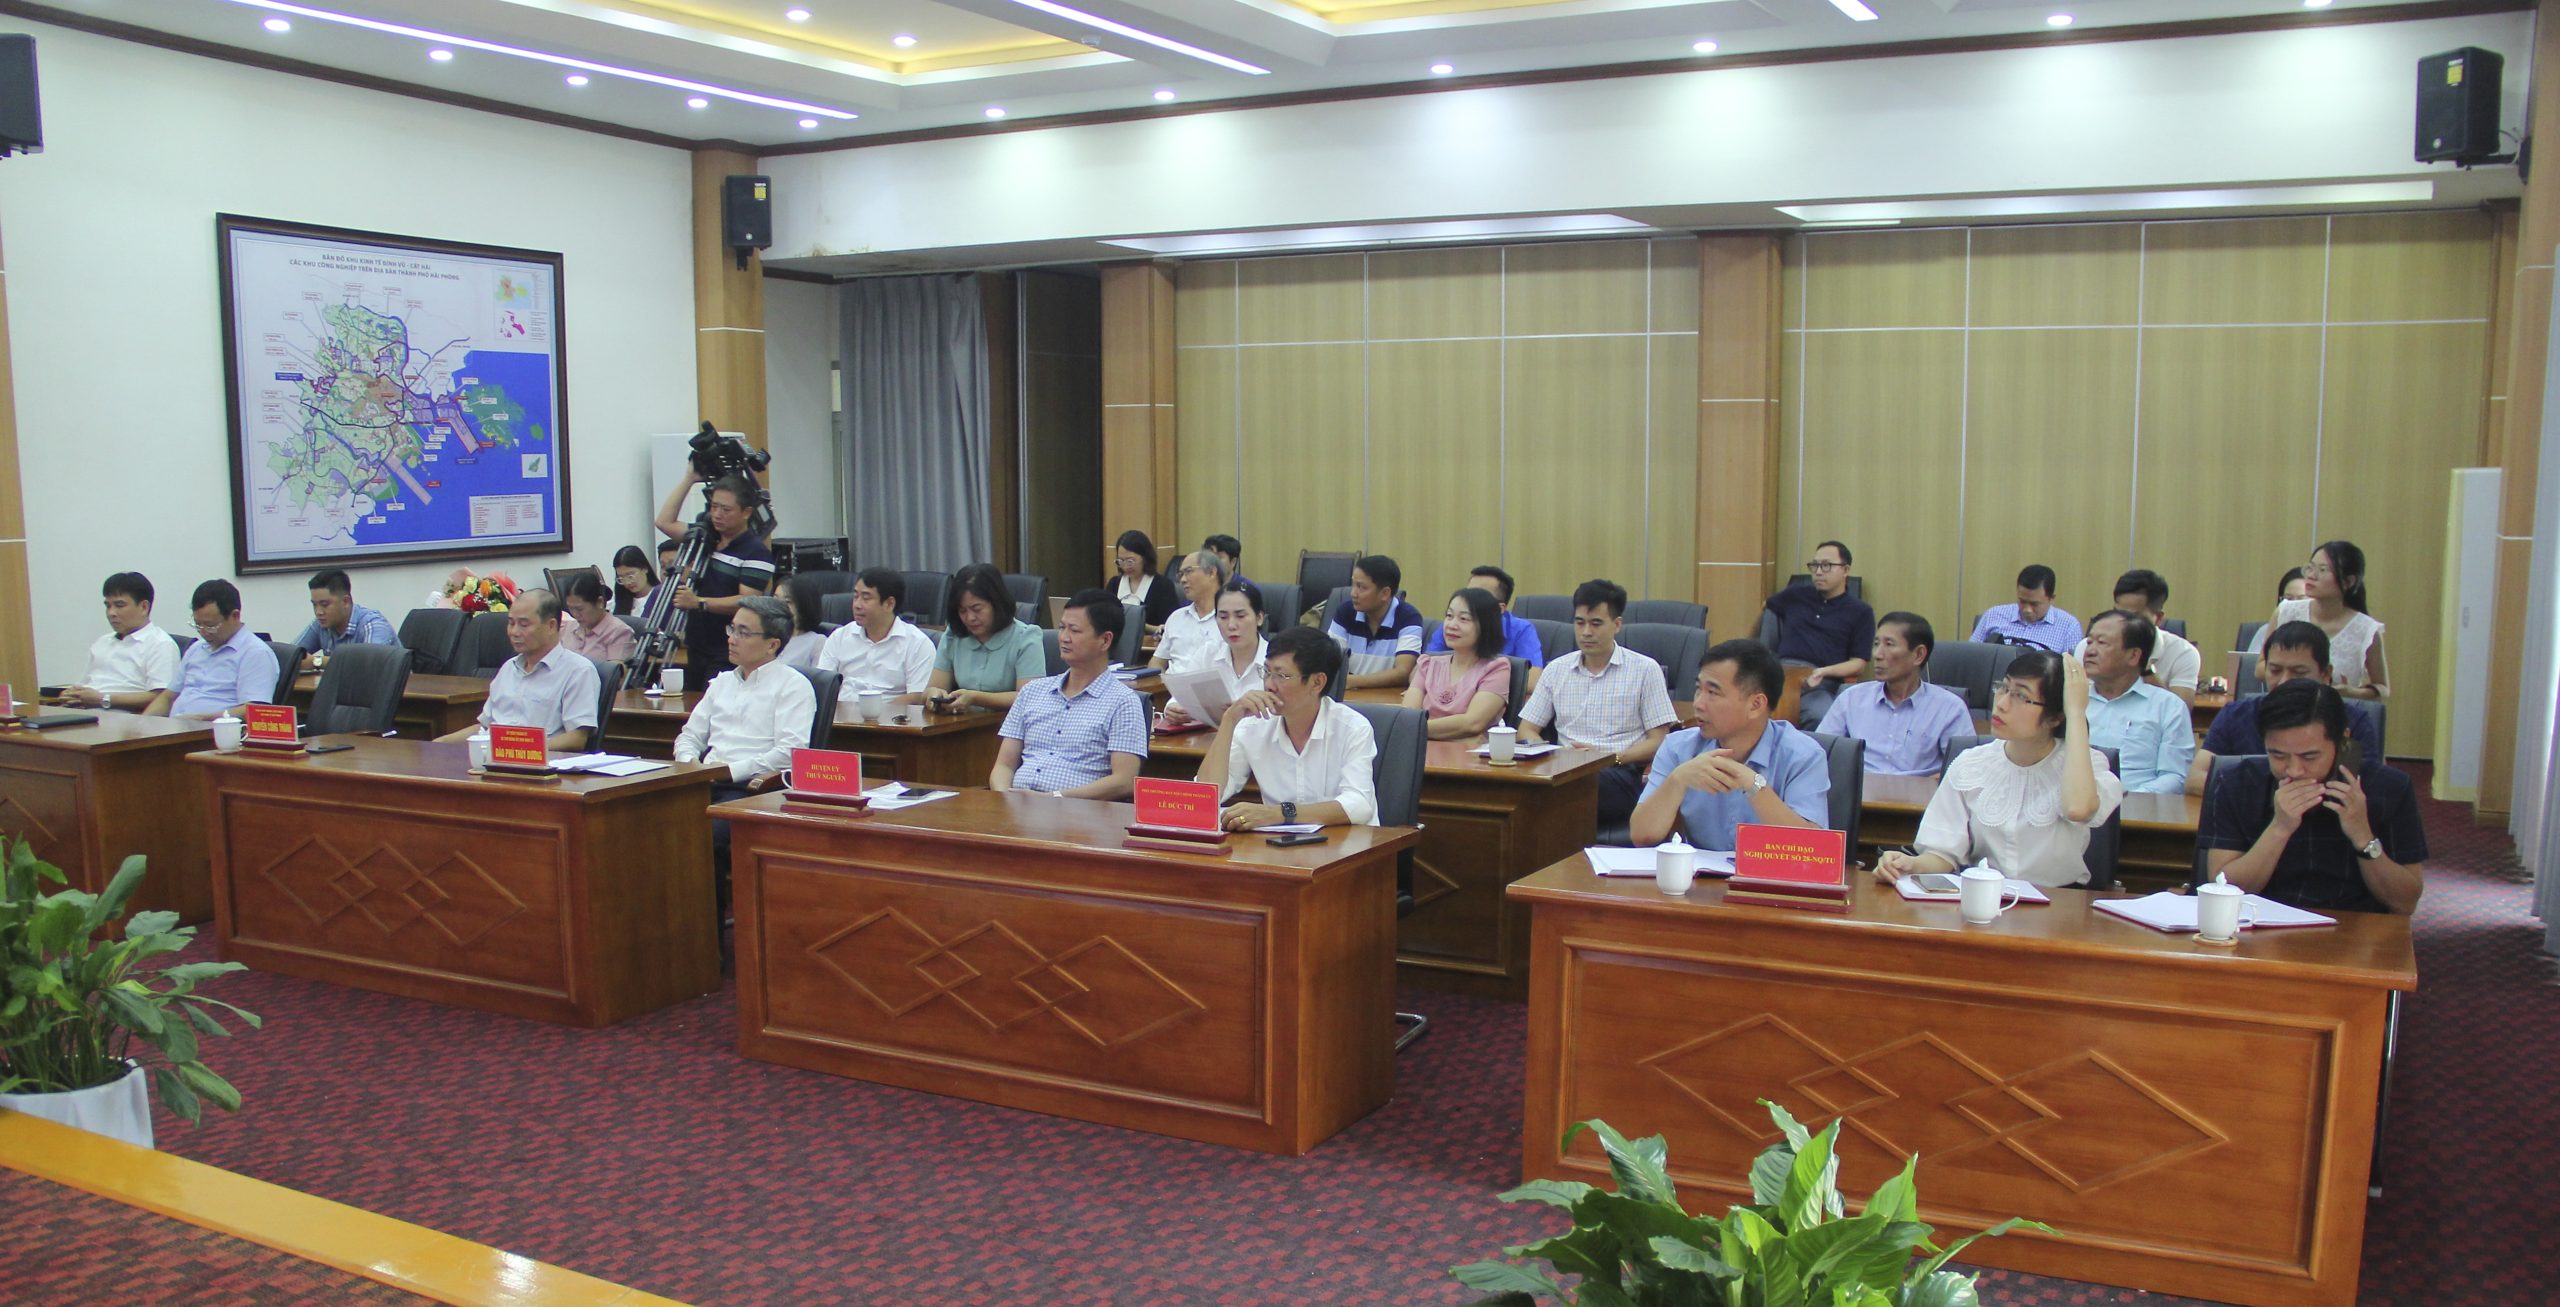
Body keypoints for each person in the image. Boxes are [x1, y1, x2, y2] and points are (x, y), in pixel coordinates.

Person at [1873, 650, 2121, 889]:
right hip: (1984, 898)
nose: (2001, 704)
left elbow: (2077, 809)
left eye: (2020, 696)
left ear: (2055, 717)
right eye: (2003, 688)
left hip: (2060, 904)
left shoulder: (2086, 765)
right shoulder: (1971, 763)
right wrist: (1911, 864)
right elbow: (1944, 854)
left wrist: (2076, 713)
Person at [2199, 679, 2426, 914]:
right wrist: (2279, 828)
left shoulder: (2389, 788)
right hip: (2260, 922)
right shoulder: (2236, 784)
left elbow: (2405, 902)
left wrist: (2362, 836)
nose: (2294, 770)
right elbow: (2223, 890)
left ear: (2342, 741)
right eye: (2278, 755)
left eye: (2309, 757)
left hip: (2355, 927)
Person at [673, 597, 817, 894]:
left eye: (743, 632)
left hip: (753, 790)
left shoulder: (793, 685)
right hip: (701, 781)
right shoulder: (722, 682)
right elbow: (689, 736)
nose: (731, 639)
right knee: (651, 825)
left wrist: (727, 771)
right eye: (732, 629)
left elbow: (789, 753)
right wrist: (690, 765)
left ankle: (709, 920)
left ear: (772, 644)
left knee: (703, 835)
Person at [1631, 639, 1828, 850]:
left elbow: (1813, 848)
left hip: (1768, 871)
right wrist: (1677, 780)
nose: (1698, 703)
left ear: (1755, 705)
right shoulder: (1678, 747)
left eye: (1713, 693)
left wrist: (1753, 785)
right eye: (1698, 690)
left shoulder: (1803, 755)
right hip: (1700, 871)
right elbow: (1641, 837)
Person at [1517, 579, 1678, 829]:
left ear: (1617, 625)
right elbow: (1526, 729)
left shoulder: (1645, 670)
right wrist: (1552, 755)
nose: (1586, 632)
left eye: (1596, 623)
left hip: (1618, 772)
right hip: (1562, 769)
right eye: (1579, 622)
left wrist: (1609, 758)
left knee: (1574, 789)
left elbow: (1660, 741)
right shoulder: (1556, 669)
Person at [1196, 626, 1378, 831]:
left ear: (1317, 682)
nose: (1269, 685)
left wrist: (1279, 813)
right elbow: (1205, 796)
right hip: (1279, 845)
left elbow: (1358, 805)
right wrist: (1229, 720)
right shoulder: (1252, 726)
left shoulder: (1353, 728)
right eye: (1266, 672)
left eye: (1281, 676)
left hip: (1349, 844)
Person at [2187, 621, 2384, 794]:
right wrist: (2267, 799)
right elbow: (2195, 778)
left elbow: (2365, 787)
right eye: (2275, 670)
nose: (2283, 681)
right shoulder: (2236, 715)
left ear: (2325, 674)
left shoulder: (2353, 720)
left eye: (2298, 672)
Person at [992, 590, 1150, 798]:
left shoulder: (1123, 702)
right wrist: (1003, 798)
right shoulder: (1032, 691)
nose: (1064, 638)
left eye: (1074, 631)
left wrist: (1055, 799)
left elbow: (1124, 781)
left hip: (1076, 812)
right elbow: (1003, 766)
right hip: (1016, 806)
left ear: (1105, 640)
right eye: (1061, 628)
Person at [655, 470, 775, 692]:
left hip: (727, 649)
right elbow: (664, 522)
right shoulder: (704, 537)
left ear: (747, 512)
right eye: (714, 507)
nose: (717, 514)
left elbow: (748, 601)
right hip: (696, 643)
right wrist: (689, 479)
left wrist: (699, 602)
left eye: (726, 509)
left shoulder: (756, 552)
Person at [441, 589, 602, 752]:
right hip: (495, 758)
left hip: (541, 762)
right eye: (511, 623)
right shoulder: (508, 668)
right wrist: (439, 743)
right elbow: (484, 728)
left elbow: (577, 738)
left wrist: (518, 750)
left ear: (551, 626)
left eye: (524, 625)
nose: (514, 632)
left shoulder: (578, 671)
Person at [1814, 612, 1971, 777]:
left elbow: (1966, 769)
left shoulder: (1949, 708)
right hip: (1859, 790)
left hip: (1920, 792)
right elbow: (1819, 753)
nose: (1877, 654)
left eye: (1889, 644)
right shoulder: (1851, 698)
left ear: (1918, 655)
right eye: (1876, 644)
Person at [2249, 541, 2387, 700]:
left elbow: (2383, 688)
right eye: (2310, 567)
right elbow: (2260, 668)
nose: (2311, 575)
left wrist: (2351, 692)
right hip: (2284, 704)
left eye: (2322, 570)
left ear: (2348, 581)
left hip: (2336, 708)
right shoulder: (2286, 611)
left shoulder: (2366, 629)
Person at [2079, 610, 2192, 795]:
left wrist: (2129, 799)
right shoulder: (2071, 701)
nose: (2090, 651)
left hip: (2138, 806)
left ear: (2133, 656)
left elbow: (2174, 777)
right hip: (2073, 806)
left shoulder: (2168, 707)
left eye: (2102, 643)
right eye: (2089, 642)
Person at [1762, 540, 1873, 726]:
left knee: (1821, 717)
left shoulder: (1860, 612)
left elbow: (1858, 664)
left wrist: (1823, 672)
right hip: (1781, 673)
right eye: (1815, 565)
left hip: (1820, 681)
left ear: (1845, 570)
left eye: (1826, 565)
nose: (1819, 572)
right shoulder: (1795, 595)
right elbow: (1767, 609)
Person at [147, 580, 281, 720]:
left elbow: (253, 710)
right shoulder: (197, 648)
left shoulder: (255, 653)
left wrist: (203, 719)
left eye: (210, 626)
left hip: (215, 730)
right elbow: (168, 697)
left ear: (235, 616)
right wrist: (142, 723)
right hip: (179, 726)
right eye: (198, 625)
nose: (203, 632)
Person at [922, 564, 1046, 711]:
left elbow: (1030, 697)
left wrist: (976, 698)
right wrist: (933, 694)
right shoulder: (953, 635)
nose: (970, 618)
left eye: (977, 609)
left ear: (997, 604)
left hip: (1007, 723)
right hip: (960, 722)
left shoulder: (1026, 637)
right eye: (962, 611)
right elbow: (933, 688)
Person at [2071, 569, 2201, 705]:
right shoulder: (2088, 647)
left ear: (2158, 618)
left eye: (2133, 617)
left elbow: (2180, 711)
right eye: (2118, 613)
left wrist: (2145, 668)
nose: (2122, 623)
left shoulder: (2183, 653)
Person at [1401, 586, 1512, 740]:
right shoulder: (1428, 664)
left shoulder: (1496, 668)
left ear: (1486, 625)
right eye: (1449, 616)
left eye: (1464, 619)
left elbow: (1473, 723)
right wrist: (1411, 727)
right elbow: (1407, 716)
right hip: (1422, 748)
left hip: (1467, 753)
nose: (1452, 625)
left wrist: (1415, 728)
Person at [1158, 581, 1266, 731]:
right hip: (1210, 740)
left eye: (1240, 616)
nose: (1231, 625)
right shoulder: (1207, 653)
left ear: (1259, 618)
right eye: (1223, 617)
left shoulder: (1275, 661)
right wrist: (1173, 710)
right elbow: (1180, 697)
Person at [64, 572, 180, 711]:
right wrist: (72, 693)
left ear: (144, 607)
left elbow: (162, 697)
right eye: (108, 606)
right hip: (85, 711)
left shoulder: (160, 644)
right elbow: (85, 684)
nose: (111, 613)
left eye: (119, 605)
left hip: (124, 716)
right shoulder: (103, 642)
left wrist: (103, 699)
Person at [818, 568, 934, 692]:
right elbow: (823, 687)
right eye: (855, 596)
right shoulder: (839, 637)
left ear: (889, 604)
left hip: (891, 704)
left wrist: (872, 704)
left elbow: (917, 696)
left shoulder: (917, 644)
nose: (857, 605)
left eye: (866, 598)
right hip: (842, 703)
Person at [1326, 554, 1424, 690]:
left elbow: (1403, 672)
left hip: (1385, 698)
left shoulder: (1409, 617)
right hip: (1347, 696)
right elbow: (1329, 661)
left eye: (1361, 587)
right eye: (1353, 584)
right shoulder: (1345, 612)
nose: (1353, 593)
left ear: (1385, 593)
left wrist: (1352, 681)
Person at [1422, 566, 1547, 670]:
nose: (1469, 600)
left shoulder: (1521, 630)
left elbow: (1532, 679)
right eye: (1468, 593)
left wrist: (1486, 678)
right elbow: (1424, 669)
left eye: (1480, 597)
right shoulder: (1453, 625)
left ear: (1500, 609)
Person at [1969, 564, 2082, 653]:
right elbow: (1970, 655)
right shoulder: (1993, 615)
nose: (2027, 610)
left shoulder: (2069, 627)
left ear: (2051, 599)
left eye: (2034, 604)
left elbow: (2073, 670)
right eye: (2022, 601)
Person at [292, 569, 399, 659]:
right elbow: (290, 656)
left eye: (324, 604)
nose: (318, 612)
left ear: (345, 602)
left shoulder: (373, 625)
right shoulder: (321, 623)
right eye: (314, 605)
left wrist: (317, 662)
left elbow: (368, 665)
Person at [1150, 549, 1227, 672]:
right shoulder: (1176, 618)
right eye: (1181, 574)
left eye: (1188, 571)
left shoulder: (1230, 620)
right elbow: (1157, 662)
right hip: (1172, 683)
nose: (1183, 580)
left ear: (1212, 572)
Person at [557, 572, 636, 665]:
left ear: (600, 602)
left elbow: (615, 672)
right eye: (570, 608)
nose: (575, 614)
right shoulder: (568, 627)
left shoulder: (619, 633)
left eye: (579, 609)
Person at [1111, 529, 1181, 630]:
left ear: (1145, 557)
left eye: (1130, 561)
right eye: (1121, 561)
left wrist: (1139, 626)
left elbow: (1170, 628)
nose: (1125, 566)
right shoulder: (1114, 584)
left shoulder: (1162, 586)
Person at [1203, 534, 1257, 603]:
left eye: (1218, 557)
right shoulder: (1199, 586)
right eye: (1209, 556)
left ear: (1233, 562)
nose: (1212, 561)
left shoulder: (1247, 589)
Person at [611, 545, 658, 618]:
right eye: (621, 578)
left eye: (630, 576)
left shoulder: (659, 596)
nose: (627, 582)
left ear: (645, 568)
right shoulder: (616, 602)